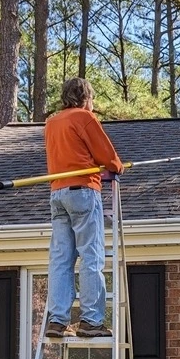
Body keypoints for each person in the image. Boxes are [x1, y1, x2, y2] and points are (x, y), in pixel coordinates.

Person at [44, 78, 124, 337]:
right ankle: (91, 321)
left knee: (61, 259)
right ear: (86, 97)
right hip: (83, 192)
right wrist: (118, 166)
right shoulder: (84, 118)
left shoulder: (52, 123)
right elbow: (107, 157)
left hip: (57, 193)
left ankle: (57, 320)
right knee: (91, 255)